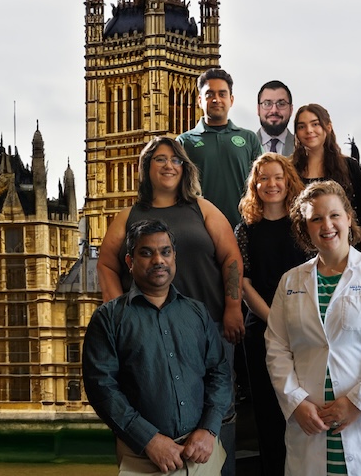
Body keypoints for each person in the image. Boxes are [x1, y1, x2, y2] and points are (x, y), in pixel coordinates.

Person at [96, 136, 244, 475]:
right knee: (149, 407)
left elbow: (231, 258)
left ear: (185, 167)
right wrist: (119, 311)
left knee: (218, 412)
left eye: (175, 159)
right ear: (146, 169)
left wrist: (233, 308)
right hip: (146, 333)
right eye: (159, 159)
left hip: (208, 328)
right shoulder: (128, 214)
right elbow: (105, 263)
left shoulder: (202, 208)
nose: (168, 165)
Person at [265, 181, 361, 476]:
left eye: (334, 215)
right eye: (316, 219)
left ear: (349, 219)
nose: (327, 225)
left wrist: (358, 403)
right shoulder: (290, 282)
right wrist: (296, 402)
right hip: (311, 428)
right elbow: (276, 347)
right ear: (305, 228)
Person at [83, 219, 232, 475]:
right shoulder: (108, 319)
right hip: (142, 459)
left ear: (174, 257)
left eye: (165, 252)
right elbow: (102, 389)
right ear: (130, 262)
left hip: (202, 455)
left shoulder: (197, 312)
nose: (158, 260)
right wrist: (148, 439)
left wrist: (209, 429)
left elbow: (219, 373)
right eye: (146, 253)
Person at [234, 153, 307, 475]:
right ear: (255, 185)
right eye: (263, 178)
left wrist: (295, 323)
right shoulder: (245, 229)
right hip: (261, 328)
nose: (271, 184)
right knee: (267, 412)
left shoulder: (304, 226)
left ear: (288, 181)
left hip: (305, 327)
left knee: (304, 407)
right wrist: (276, 321)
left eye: (278, 177)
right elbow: (244, 284)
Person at [177, 68, 262, 227]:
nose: (216, 99)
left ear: (231, 99)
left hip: (245, 227)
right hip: (200, 228)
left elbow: (262, 183)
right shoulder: (184, 142)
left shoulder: (249, 139)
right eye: (210, 95)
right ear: (200, 100)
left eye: (222, 94)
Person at [292, 103, 361, 254]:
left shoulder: (350, 167)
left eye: (315, 124)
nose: (309, 130)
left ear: (328, 127)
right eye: (301, 126)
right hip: (298, 256)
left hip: (345, 255)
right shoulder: (289, 169)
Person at [255, 80, 295, 156]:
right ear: (258, 109)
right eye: (267, 104)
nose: (274, 110)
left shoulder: (303, 148)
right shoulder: (244, 148)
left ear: (291, 109)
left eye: (281, 104)